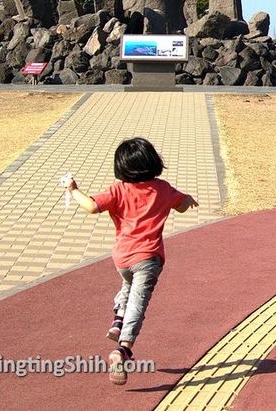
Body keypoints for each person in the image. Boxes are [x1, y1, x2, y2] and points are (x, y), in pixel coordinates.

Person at [64, 137, 198, 384]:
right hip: (148, 258)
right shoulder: (163, 189)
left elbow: (92, 207)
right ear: (153, 162)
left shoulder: (118, 190)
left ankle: (117, 321)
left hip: (122, 259)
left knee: (127, 286)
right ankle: (123, 349)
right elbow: (180, 205)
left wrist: (73, 190)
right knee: (139, 301)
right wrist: (188, 199)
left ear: (122, 167)